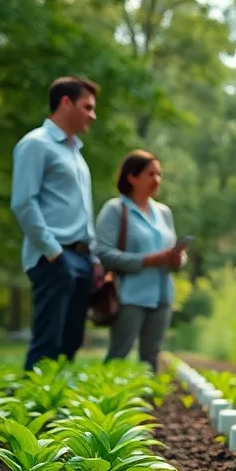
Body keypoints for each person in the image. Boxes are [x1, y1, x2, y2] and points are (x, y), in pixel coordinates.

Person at [11, 76, 100, 373]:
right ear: (65, 102)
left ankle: (58, 409)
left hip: (81, 258)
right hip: (53, 257)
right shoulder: (35, 144)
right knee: (47, 342)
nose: (92, 115)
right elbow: (24, 202)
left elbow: (81, 211)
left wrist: (94, 258)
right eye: (87, 107)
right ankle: (31, 411)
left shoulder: (76, 152)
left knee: (70, 342)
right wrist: (53, 253)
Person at [94, 151, 186, 372]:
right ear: (131, 177)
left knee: (152, 356)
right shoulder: (116, 210)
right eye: (150, 174)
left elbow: (173, 250)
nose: (156, 180)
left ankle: (148, 403)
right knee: (119, 352)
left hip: (162, 295)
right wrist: (147, 261)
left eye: (159, 174)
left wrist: (177, 259)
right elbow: (102, 252)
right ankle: (107, 399)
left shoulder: (164, 212)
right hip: (129, 295)